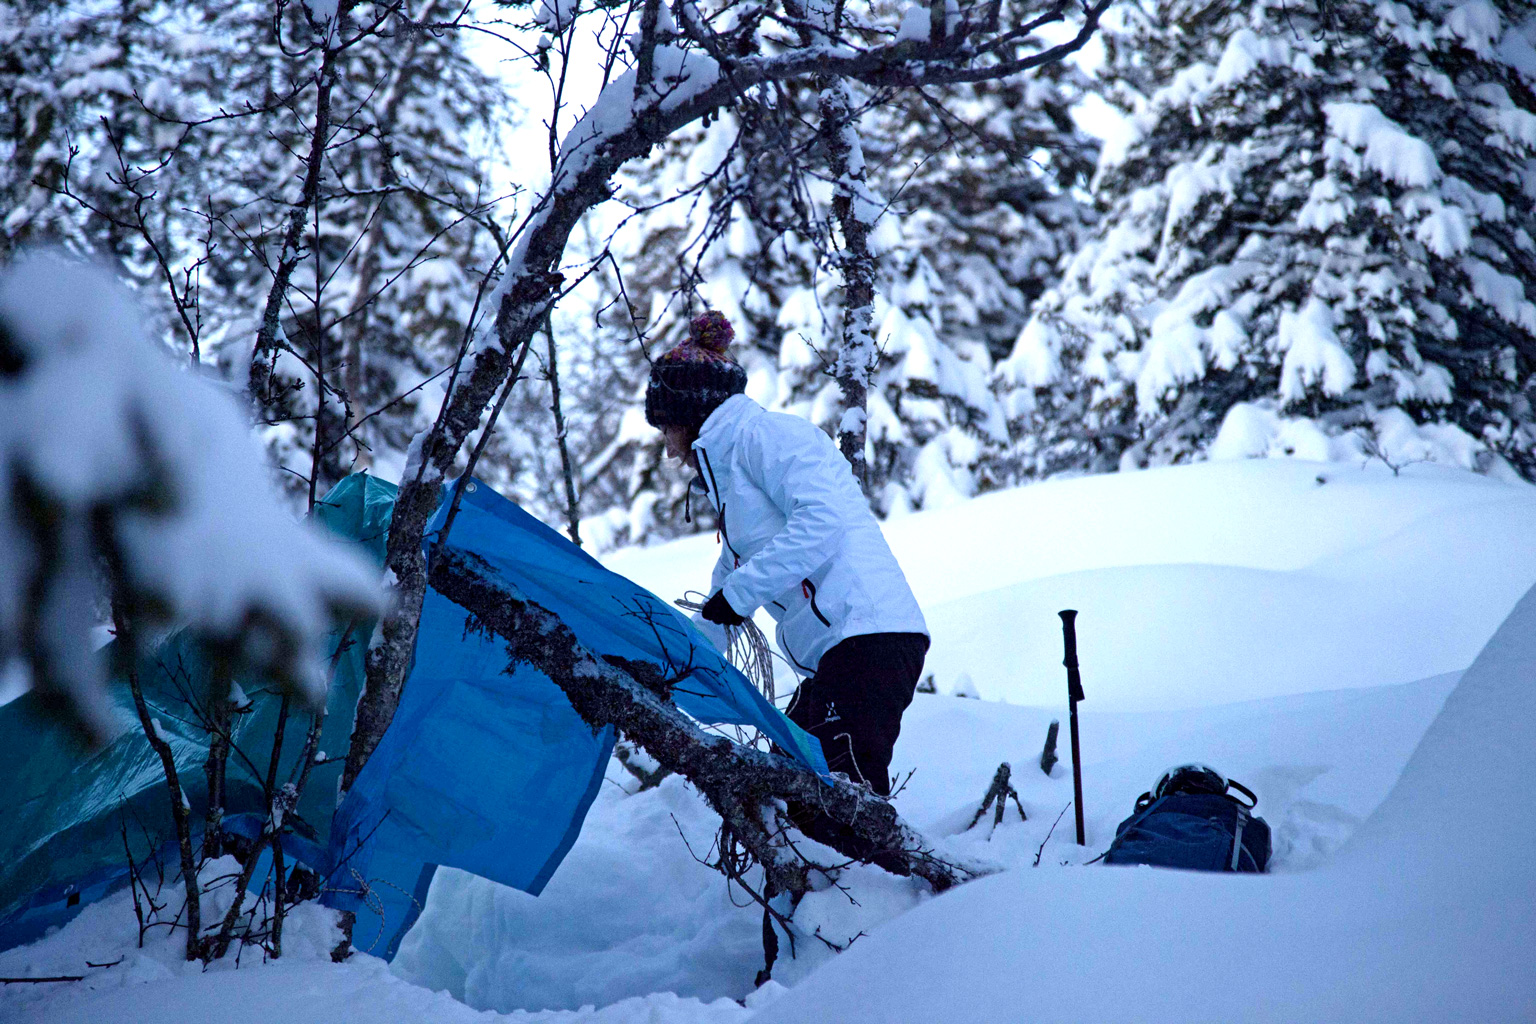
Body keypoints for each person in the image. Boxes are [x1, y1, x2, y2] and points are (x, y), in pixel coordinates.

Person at [646, 309, 929, 797]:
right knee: (787, 790)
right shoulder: (733, 481)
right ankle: (859, 869)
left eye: (667, 430)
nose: (670, 451)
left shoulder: (769, 436)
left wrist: (738, 597)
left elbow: (822, 521)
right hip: (840, 654)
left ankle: (903, 872)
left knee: (839, 802)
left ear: (691, 417)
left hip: (869, 637)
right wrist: (673, 667)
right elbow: (726, 589)